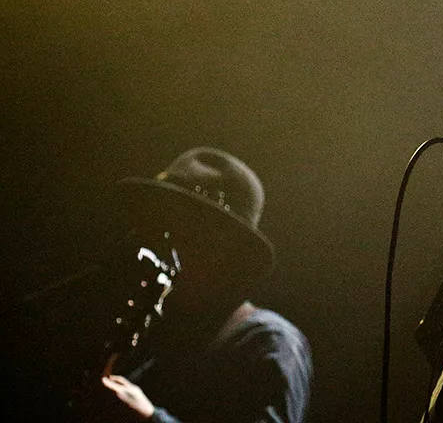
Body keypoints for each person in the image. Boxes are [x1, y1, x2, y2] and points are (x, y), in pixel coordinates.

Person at [9, 147, 312, 423]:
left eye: (191, 231)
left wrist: (148, 419)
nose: (165, 240)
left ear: (230, 252)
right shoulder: (157, 327)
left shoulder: (268, 342)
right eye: (162, 224)